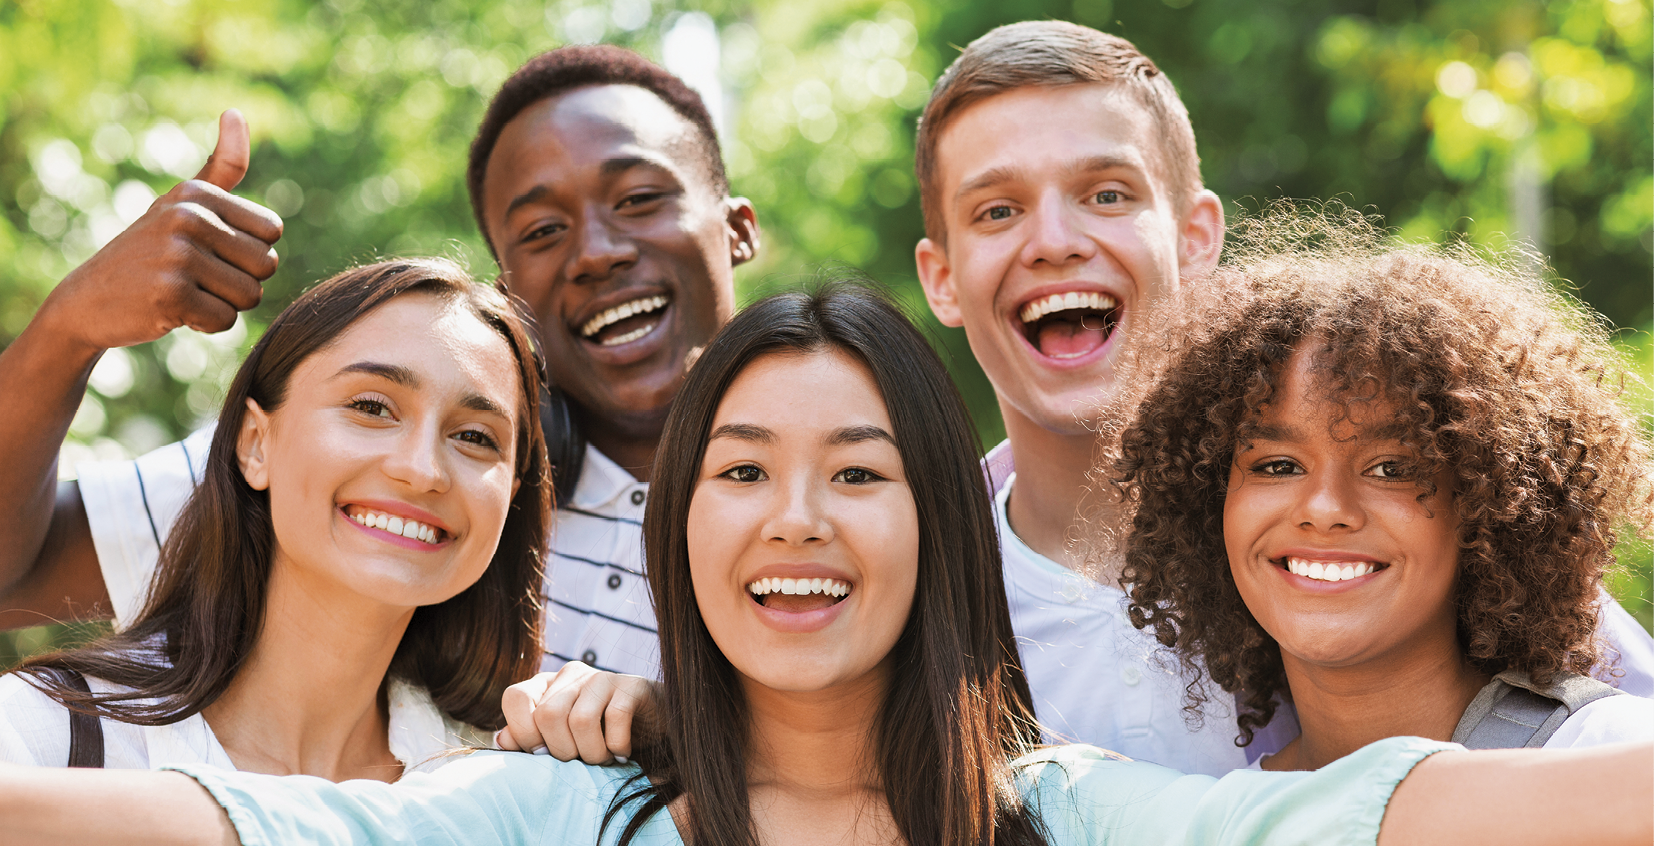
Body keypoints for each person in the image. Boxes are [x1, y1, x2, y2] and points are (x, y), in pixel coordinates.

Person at [1, 281, 1649, 846]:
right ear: (678, 532)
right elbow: (197, 819)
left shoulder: (1080, 810)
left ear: (935, 526)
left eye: (856, 471)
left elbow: (1454, 809)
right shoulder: (542, 808)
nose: (794, 518)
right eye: (740, 472)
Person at [906, 20, 1654, 773]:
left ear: (1196, 238)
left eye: (1106, 193)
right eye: (997, 210)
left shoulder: (1397, 552)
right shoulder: (906, 582)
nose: (1054, 240)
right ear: (941, 278)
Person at [0, 46, 759, 682]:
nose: (595, 252)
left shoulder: (841, 495)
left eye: (638, 199)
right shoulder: (378, 469)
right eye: (542, 230)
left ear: (737, 230)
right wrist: (70, 328)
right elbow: (14, 578)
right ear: (508, 294)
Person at [1107, 212, 1654, 769]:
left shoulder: (1611, 757)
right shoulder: (1216, 820)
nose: (1324, 509)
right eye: (1276, 466)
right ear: (1209, 506)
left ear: (1489, 511)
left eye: (1391, 468)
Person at [0, 258, 550, 779]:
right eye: (371, 407)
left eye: (475, 438)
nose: (422, 469)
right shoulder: (42, 739)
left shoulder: (505, 789)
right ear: (255, 442)